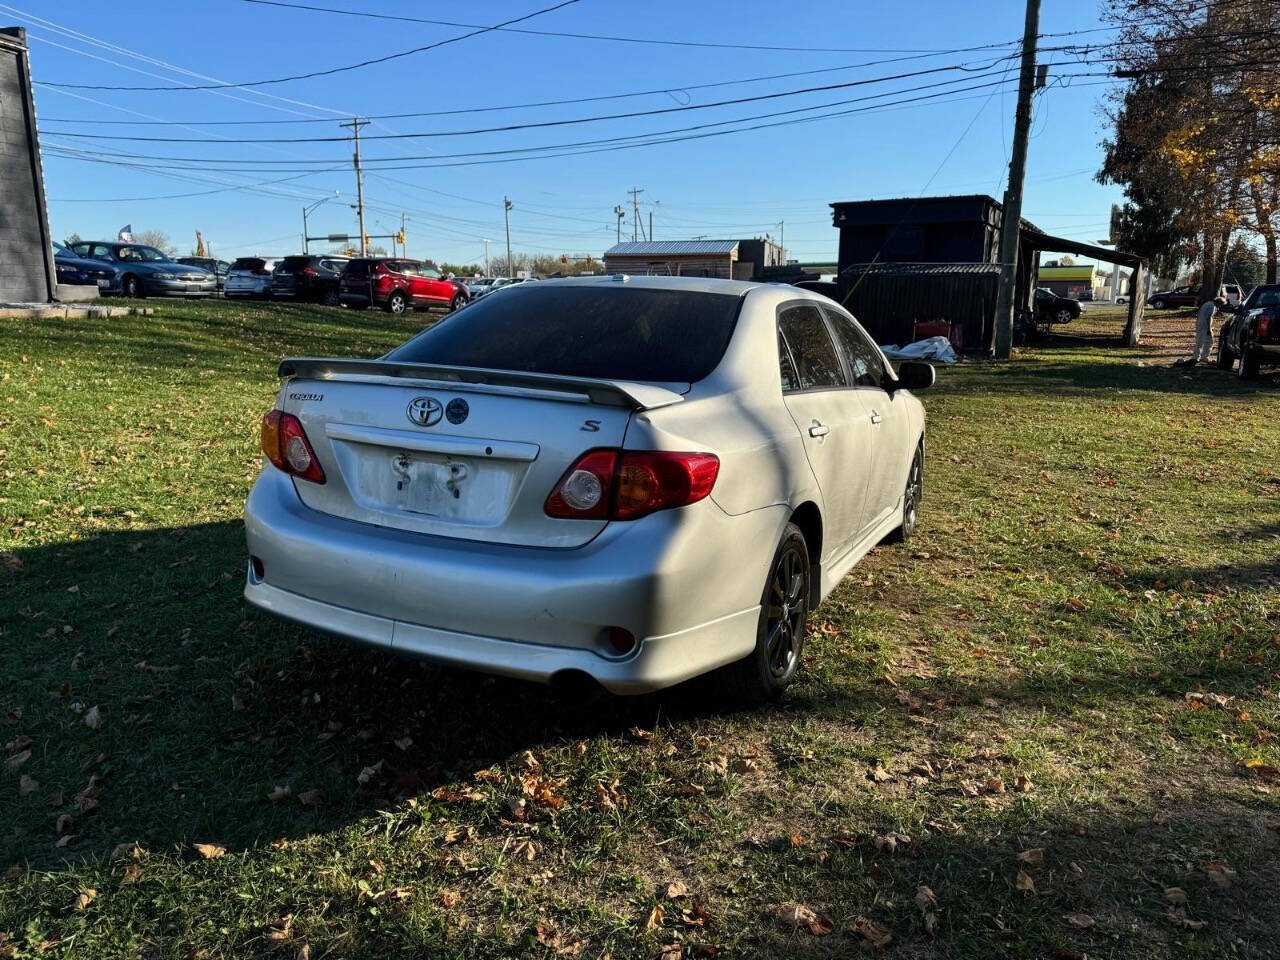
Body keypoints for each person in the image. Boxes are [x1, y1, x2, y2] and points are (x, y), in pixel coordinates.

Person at [1187, 294, 1227, 365]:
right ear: (1219, 303)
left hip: (1202, 325)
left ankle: (1203, 357)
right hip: (1204, 326)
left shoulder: (1208, 304)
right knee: (1202, 342)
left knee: (1208, 341)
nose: (1220, 307)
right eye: (1221, 305)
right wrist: (1209, 329)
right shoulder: (1212, 306)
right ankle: (1196, 358)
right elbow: (1209, 318)